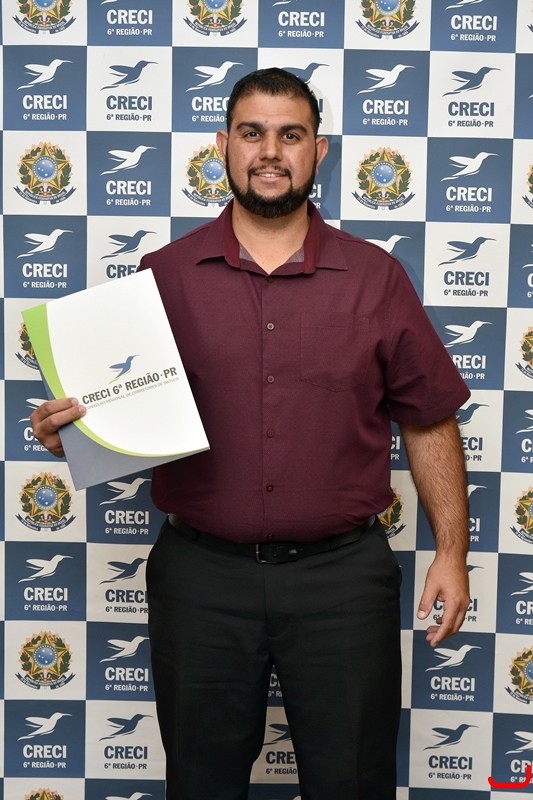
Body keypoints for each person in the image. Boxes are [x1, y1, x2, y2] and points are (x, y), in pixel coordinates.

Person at [31, 68, 471, 800]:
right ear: (223, 146)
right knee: (200, 784)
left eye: (290, 135)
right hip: (200, 580)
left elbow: (428, 418)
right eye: (252, 133)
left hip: (342, 583)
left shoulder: (376, 278)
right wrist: (74, 435)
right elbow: (120, 415)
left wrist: (451, 552)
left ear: (318, 151)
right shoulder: (163, 275)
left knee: (353, 782)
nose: (270, 151)